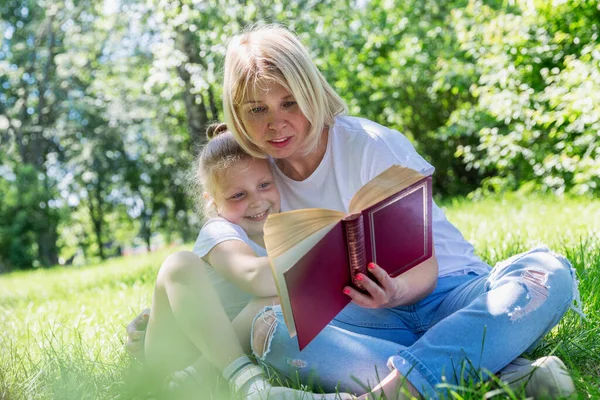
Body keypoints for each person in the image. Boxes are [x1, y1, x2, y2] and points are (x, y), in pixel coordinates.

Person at [129, 24, 582, 399]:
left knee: (548, 272)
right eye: (257, 110)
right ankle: (500, 372)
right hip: (359, 320)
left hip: (450, 295)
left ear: (311, 91)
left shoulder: (369, 143)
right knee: (270, 329)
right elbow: (237, 271)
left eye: (289, 102)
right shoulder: (256, 179)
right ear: (238, 115)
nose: (276, 122)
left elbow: (425, 266)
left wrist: (397, 289)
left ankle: (394, 390)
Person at [141, 122, 351, 400]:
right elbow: (255, 276)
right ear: (214, 202)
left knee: (281, 297)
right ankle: (249, 385)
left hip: (237, 354)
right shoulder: (219, 230)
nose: (256, 201)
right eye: (238, 195)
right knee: (179, 263)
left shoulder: (284, 227)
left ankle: (246, 384)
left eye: (264, 185)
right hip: (178, 357)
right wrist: (329, 257)